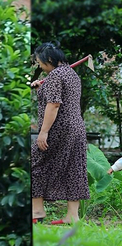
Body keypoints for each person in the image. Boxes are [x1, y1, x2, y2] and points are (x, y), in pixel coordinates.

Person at [31, 41, 90, 224]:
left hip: (60, 128)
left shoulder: (55, 75)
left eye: (40, 62)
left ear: (49, 58)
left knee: (36, 163)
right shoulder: (72, 74)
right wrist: (41, 89)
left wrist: (43, 132)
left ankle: (37, 212)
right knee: (74, 168)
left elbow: (54, 104)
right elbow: (57, 97)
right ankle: (72, 216)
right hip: (77, 127)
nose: (39, 66)